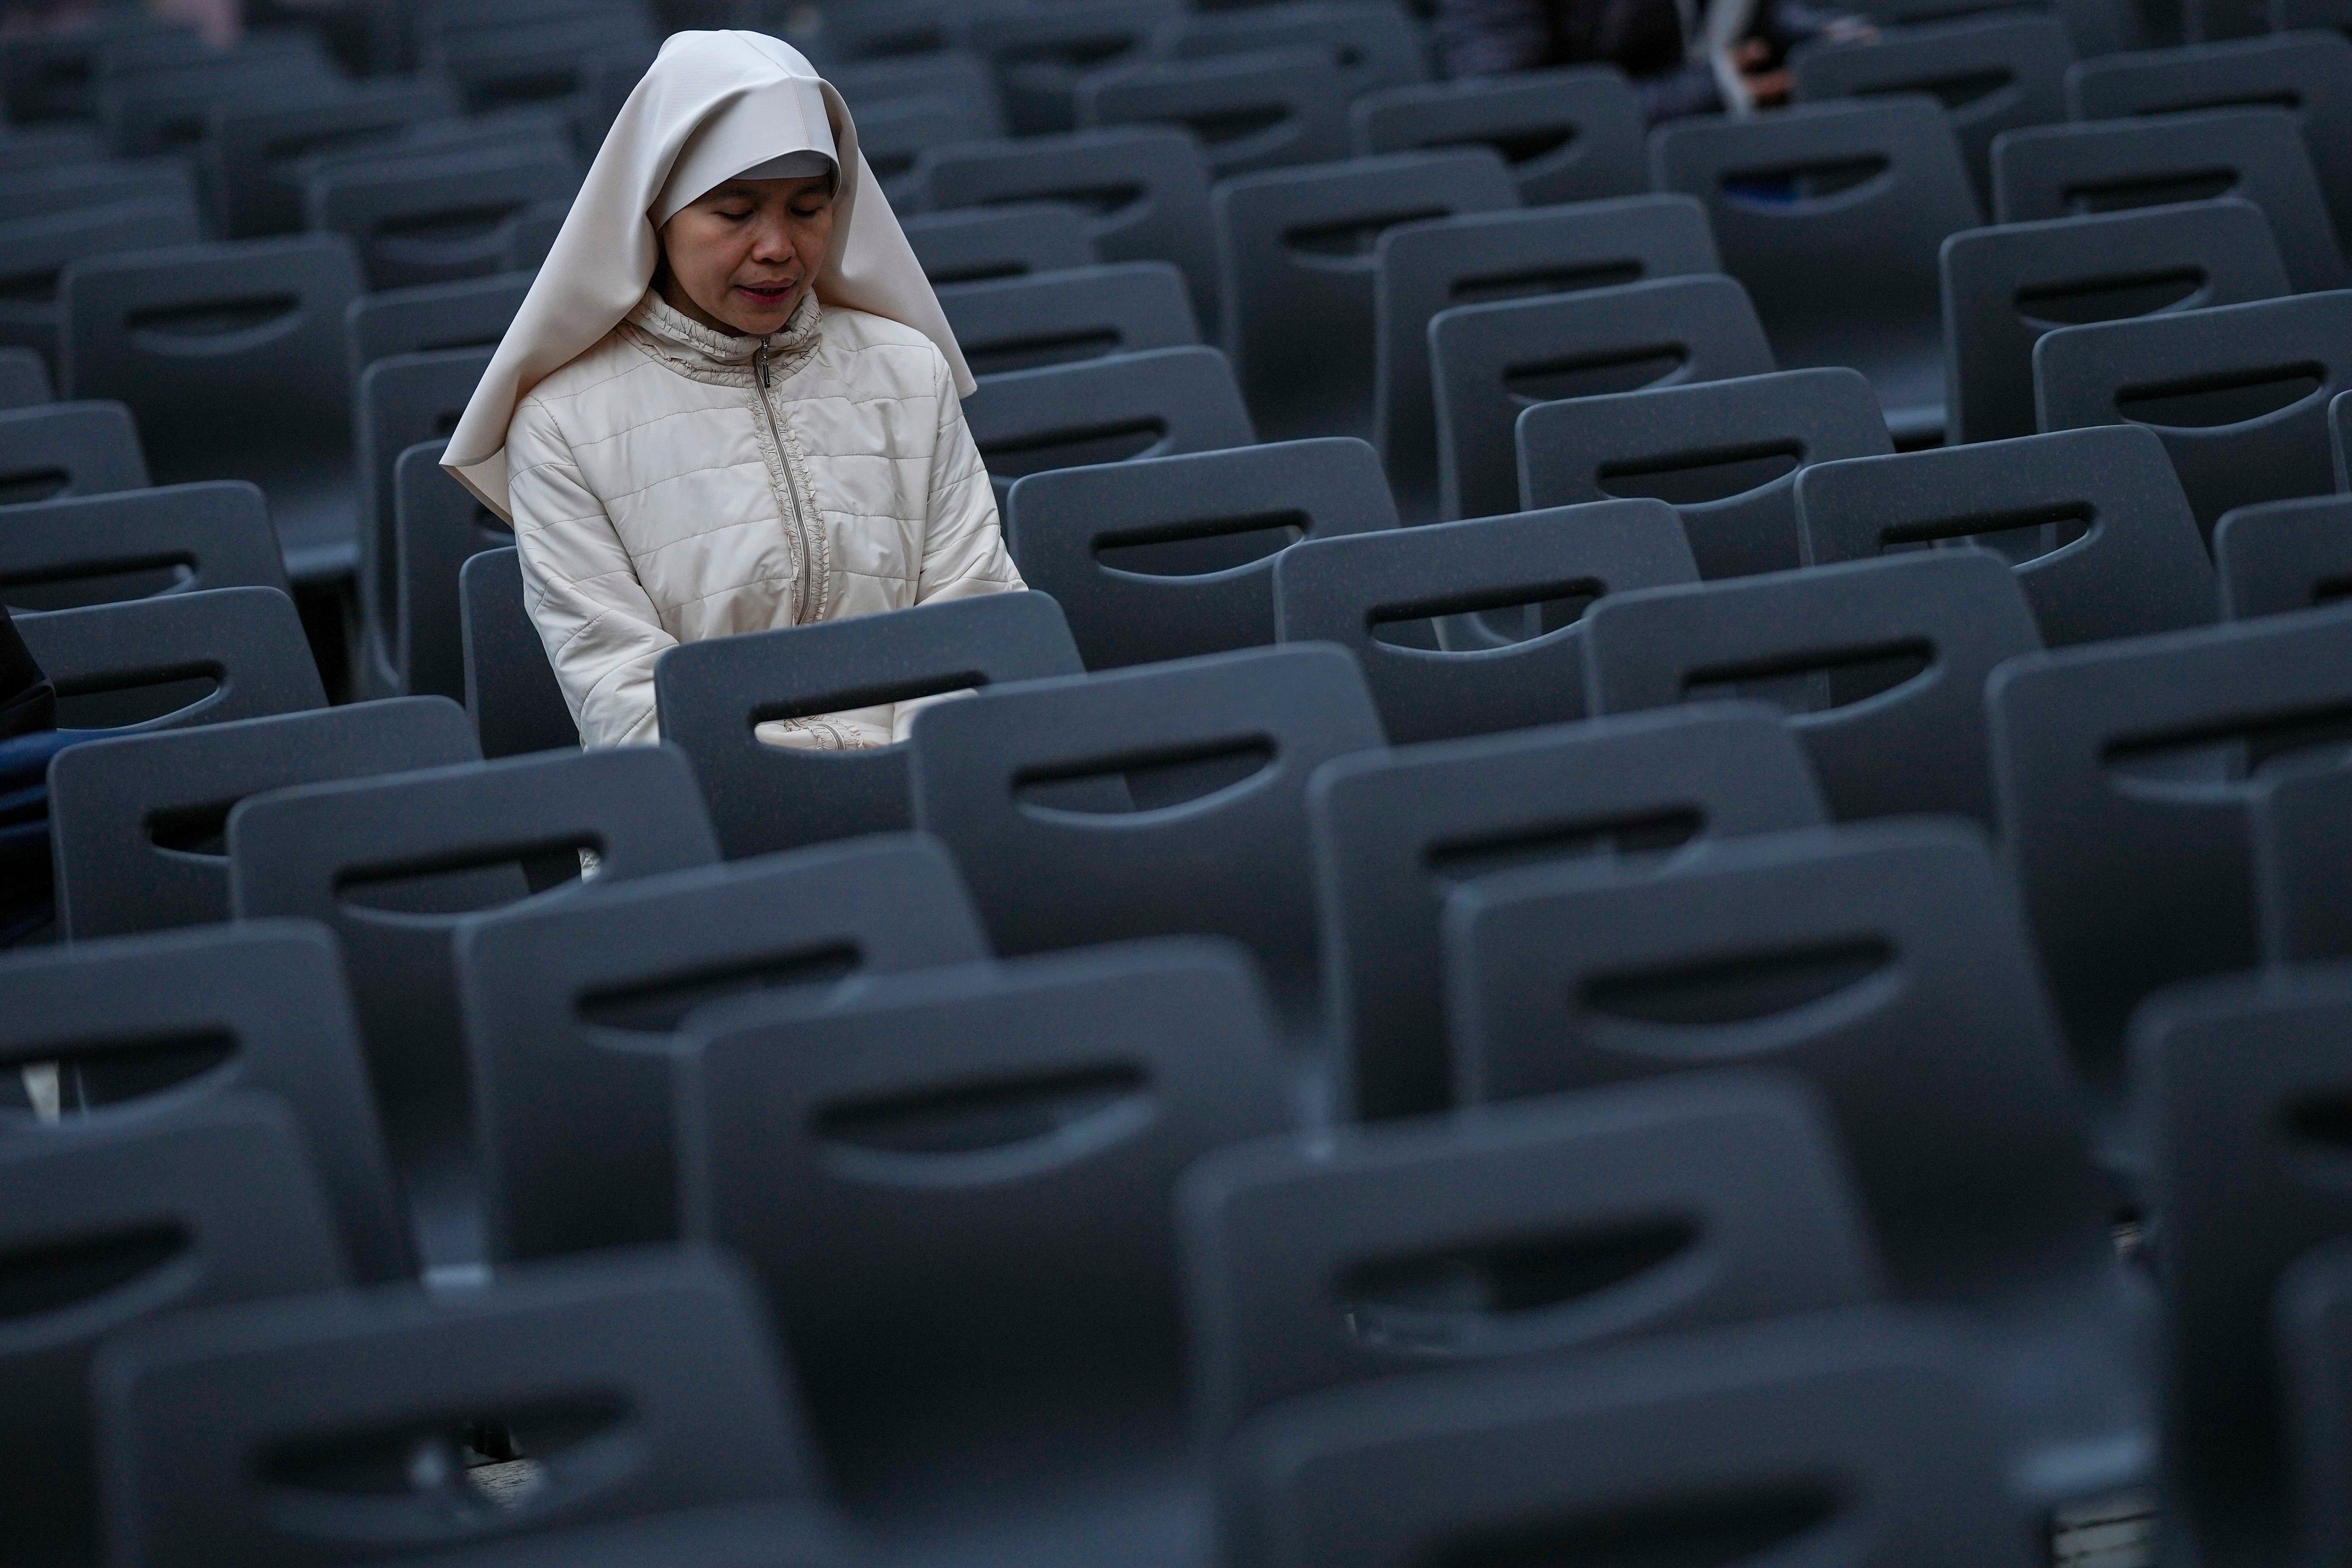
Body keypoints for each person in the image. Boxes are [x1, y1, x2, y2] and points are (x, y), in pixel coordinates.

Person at [444, 30, 1021, 751]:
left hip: (933, 783)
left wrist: (920, 774)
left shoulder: (909, 370)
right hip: (710, 817)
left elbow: (975, 608)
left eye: (808, 210)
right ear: (656, 209)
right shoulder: (562, 425)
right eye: (735, 212)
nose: (777, 246)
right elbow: (625, 697)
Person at [1432, 0, 1874, 120]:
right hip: (1600, 206)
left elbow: (1739, 16)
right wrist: (1711, 89)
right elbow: (1501, 110)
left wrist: (1817, 38)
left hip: (1740, 153)